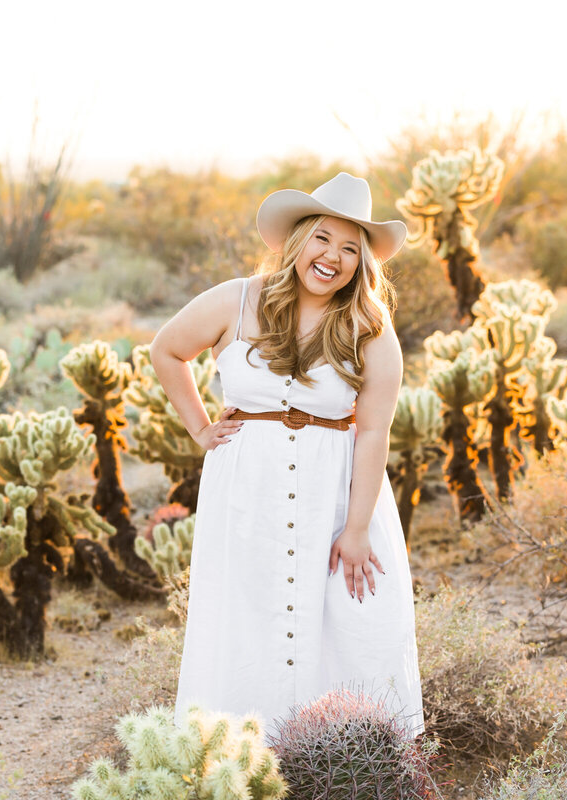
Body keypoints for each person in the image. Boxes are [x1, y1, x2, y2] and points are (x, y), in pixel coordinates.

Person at [149, 171, 424, 738]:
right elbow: (167, 350)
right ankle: (244, 753)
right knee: (249, 615)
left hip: (336, 493)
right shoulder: (237, 298)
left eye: (351, 248)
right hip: (247, 492)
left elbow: (373, 432)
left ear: (363, 264)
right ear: (300, 240)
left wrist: (356, 528)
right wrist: (200, 429)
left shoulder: (371, 327)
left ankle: (344, 761)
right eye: (323, 239)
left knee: (350, 622)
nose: (333, 257)